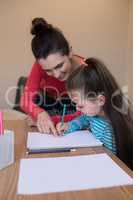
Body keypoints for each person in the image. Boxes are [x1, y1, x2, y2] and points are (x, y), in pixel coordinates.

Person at [56, 58, 133, 169]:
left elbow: (112, 162)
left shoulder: (110, 130)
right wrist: (68, 126)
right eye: (75, 104)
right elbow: (83, 120)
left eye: (80, 106)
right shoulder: (94, 115)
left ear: (100, 100)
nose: (77, 109)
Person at [20, 17, 85, 134]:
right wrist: (39, 113)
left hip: (74, 110)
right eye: (48, 70)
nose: (56, 75)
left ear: (70, 52)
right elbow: (25, 100)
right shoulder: (39, 65)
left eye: (59, 65)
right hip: (48, 103)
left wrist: (52, 120)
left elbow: (87, 114)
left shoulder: (86, 69)